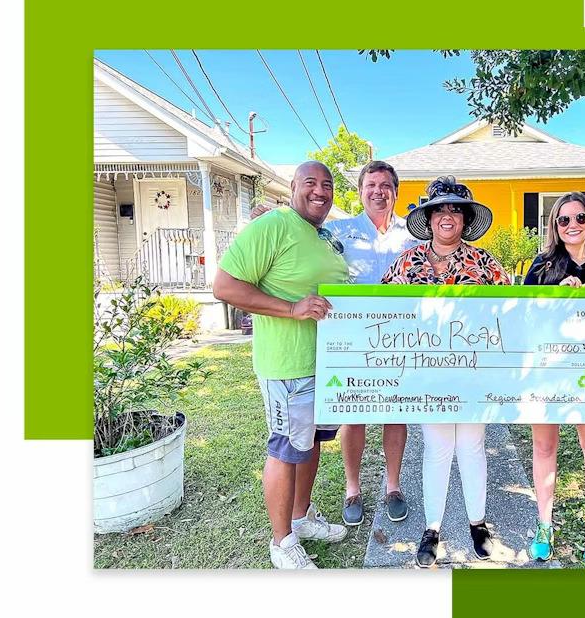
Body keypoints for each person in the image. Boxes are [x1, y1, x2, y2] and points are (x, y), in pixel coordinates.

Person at [253, 161, 419, 527]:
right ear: (360, 192)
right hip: (351, 341)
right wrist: (265, 217)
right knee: (354, 415)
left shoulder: (411, 236)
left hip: (399, 340)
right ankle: (353, 488)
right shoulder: (336, 232)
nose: (379, 191)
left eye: (386, 185)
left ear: (395, 192)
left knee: (397, 413)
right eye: (371, 185)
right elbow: (298, 241)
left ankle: (393, 486)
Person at [213, 161, 350, 569]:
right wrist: (291, 308)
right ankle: (282, 543)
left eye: (327, 185)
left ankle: (301, 517)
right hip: (288, 365)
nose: (320, 191)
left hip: (326, 365)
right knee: (287, 449)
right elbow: (224, 286)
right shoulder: (273, 225)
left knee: (311, 446)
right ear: (293, 187)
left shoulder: (320, 236)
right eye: (310, 182)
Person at [381, 176, 510, 567]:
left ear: (465, 218)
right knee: (437, 449)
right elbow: (382, 310)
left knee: (471, 447)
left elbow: (514, 309)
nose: (448, 215)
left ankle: (478, 525)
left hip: (474, 373)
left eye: (456, 209)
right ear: (430, 216)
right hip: (427, 374)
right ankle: (432, 529)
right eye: (441, 209)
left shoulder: (485, 263)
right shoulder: (406, 263)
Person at [522, 192, 585, 565]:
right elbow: (522, 316)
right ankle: (544, 523)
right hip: (546, 372)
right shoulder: (542, 265)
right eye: (564, 220)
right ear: (554, 225)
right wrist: (552, 297)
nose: (573, 225)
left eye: (580, 218)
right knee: (544, 448)